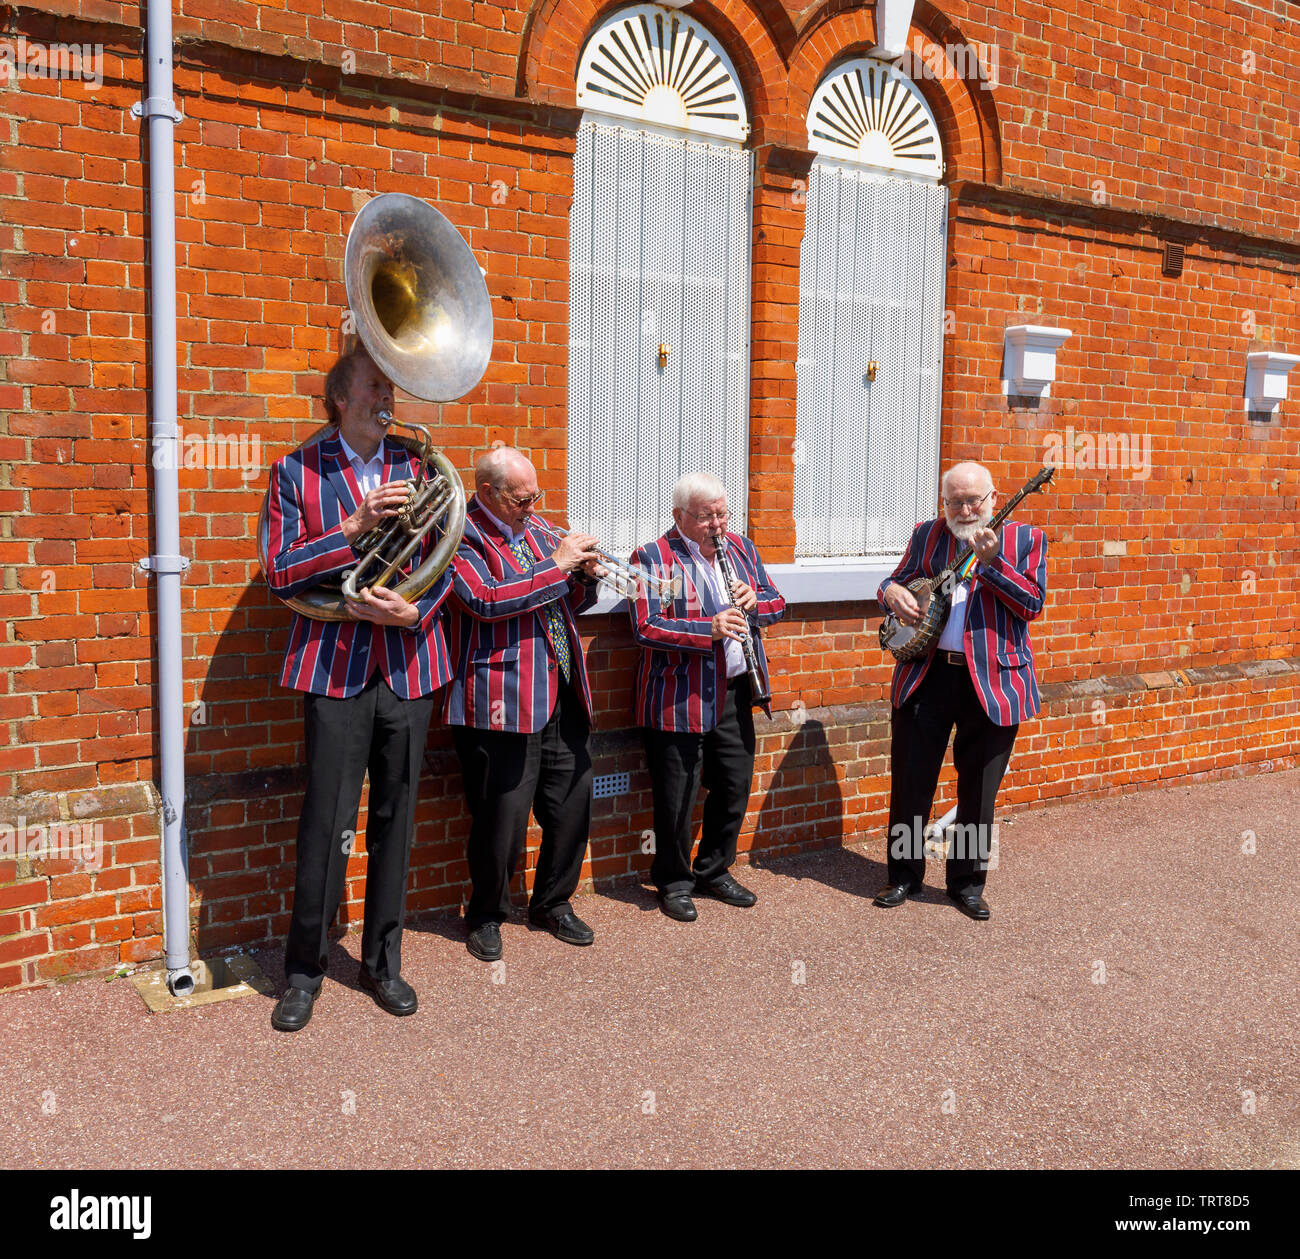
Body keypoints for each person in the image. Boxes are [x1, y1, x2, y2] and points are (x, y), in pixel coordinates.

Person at [263, 346, 454, 1031]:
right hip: (334, 669)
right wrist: (354, 526)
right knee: (326, 824)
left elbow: (445, 564)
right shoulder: (297, 471)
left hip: (409, 666)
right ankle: (305, 970)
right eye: (376, 385)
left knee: (394, 822)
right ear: (340, 397)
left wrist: (417, 611)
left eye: (392, 388)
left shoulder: (421, 467)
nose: (388, 397)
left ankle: (383, 961)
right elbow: (281, 572)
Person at [443, 447, 604, 961]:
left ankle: (553, 903)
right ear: (488, 493)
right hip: (500, 700)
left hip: (561, 688)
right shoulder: (461, 535)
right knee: (502, 820)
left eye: (536, 495)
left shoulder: (538, 532)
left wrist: (584, 577)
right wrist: (558, 567)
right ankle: (487, 914)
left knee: (571, 807)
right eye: (522, 498)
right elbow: (486, 601)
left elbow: (565, 603)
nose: (533, 506)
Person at [874, 460, 1047, 920]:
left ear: (993, 497)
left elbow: (1031, 604)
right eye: (955, 501)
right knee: (911, 784)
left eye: (974, 499)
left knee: (977, 792)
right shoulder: (926, 534)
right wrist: (891, 593)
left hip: (990, 680)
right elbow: (894, 580)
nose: (965, 508)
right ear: (943, 502)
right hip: (927, 677)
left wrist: (990, 566)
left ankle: (967, 883)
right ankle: (904, 877)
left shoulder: (1024, 539)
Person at [627, 473, 786, 922]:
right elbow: (646, 626)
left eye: (722, 513)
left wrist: (756, 601)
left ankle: (714, 869)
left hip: (735, 692)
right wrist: (708, 630)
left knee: (734, 786)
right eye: (705, 516)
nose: (716, 524)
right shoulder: (653, 557)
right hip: (680, 696)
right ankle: (674, 882)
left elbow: (778, 603)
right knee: (677, 796)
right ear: (679, 516)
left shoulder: (741, 548)